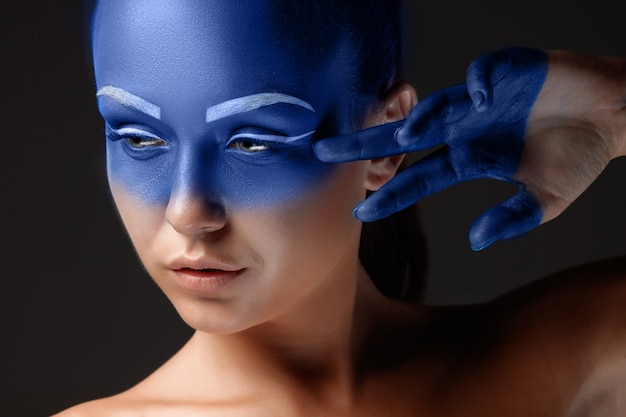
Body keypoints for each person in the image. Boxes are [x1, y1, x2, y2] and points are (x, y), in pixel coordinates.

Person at [55, 0, 625, 415]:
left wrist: (617, 111)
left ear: (386, 135)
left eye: (253, 141)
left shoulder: (580, 349)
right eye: (138, 138)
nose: (186, 211)